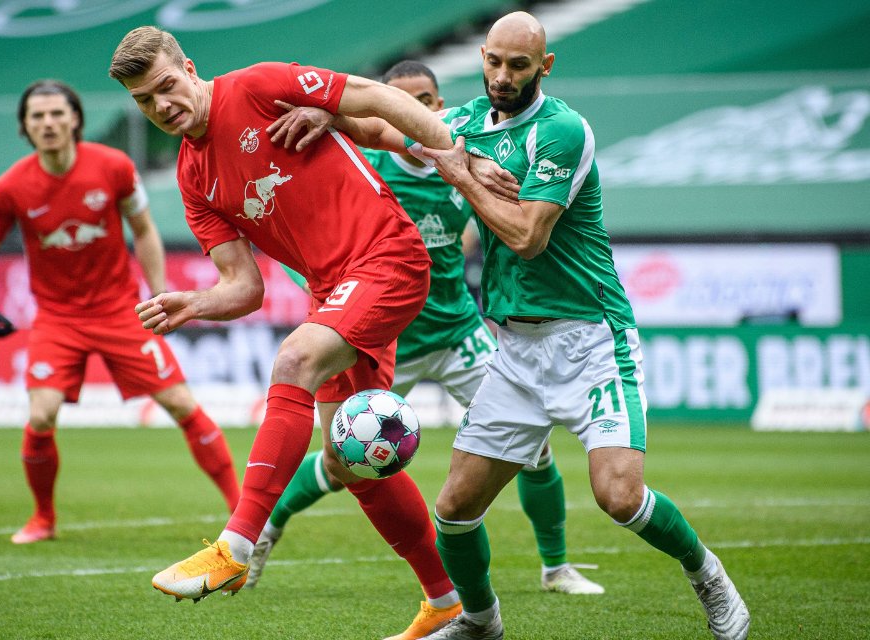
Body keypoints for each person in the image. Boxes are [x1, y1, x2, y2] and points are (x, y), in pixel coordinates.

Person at [269, 12, 751, 640]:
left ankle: (707, 574)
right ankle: (479, 622)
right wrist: (332, 117)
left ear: (544, 67)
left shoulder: (561, 132)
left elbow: (526, 237)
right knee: (455, 509)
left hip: (591, 340)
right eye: (493, 61)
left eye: (517, 65)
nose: (501, 75)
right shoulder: (467, 121)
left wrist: (459, 173)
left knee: (619, 497)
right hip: (516, 349)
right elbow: (392, 132)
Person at [107, 25, 516, 638]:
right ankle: (448, 602)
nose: (162, 106)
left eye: (166, 86)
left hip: (389, 257)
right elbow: (245, 288)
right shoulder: (194, 178)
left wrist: (451, 152)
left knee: (294, 359)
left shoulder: (257, 85)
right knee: (352, 463)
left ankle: (236, 547)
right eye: (144, 101)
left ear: (189, 68)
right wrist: (193, 303)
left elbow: (375, 98)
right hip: (335, 291)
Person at [246, 61, 605, 612]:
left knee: (533, 447)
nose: (424, 112)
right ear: (383, 108)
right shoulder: (360, 170)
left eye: (430, 100)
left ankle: (556, 567)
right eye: (405, 100)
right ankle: (266, 529)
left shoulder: (467, 164)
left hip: (459, 330)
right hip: (385, 339)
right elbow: (310, 256)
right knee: (345, 463)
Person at [0, 79, 241, 545]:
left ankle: (242, 513)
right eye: (38, 116)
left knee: (180, 404)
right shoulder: (11, 186)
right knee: (42, 415)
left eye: (57, 113)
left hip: (120, 310)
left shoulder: (113, 167)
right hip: (57, 318)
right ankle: (43, 518)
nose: (48, 123)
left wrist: (159, 293)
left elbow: (146, 231)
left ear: (75, 118)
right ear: (25, 127)